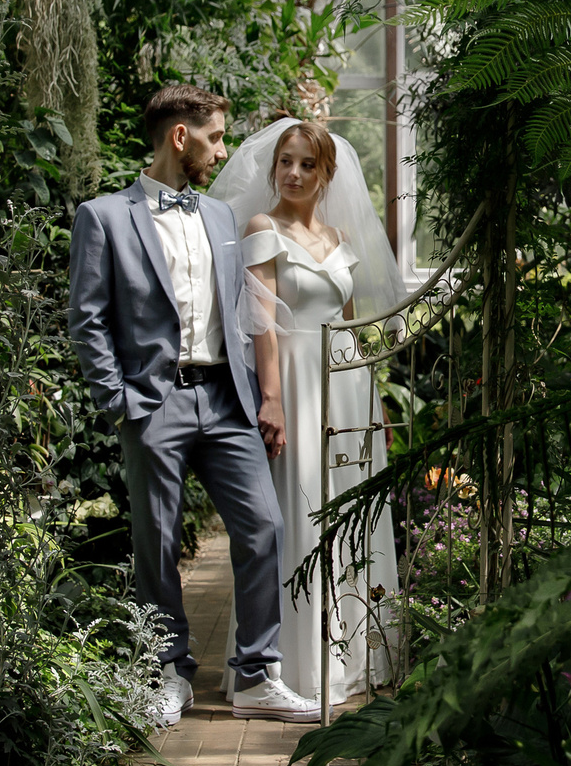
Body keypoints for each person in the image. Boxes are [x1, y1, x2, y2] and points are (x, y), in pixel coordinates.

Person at [66, 86, 316, 726]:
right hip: (155, 402)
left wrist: (265, 395)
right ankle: (168, 671)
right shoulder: (103, 217)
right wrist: (119, 402)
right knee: (156, 542)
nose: (222, 149)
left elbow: (245, 307)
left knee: (263, 527)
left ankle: (258, 675)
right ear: (182, 137)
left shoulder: (219, 218)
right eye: (215, 137)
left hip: (224, 398)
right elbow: (87, 320)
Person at [207, 116, 406, 709]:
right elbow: (261, 323)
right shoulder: (260, 227)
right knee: (300, 508)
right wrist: (270, 398)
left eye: (307, 164)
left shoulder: (340, 238)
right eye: (286, 162)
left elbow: (348, 321)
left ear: (326, 173)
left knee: (353, 507)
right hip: (293, 381)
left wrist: (374, 406)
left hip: (346, 383)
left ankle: (357, 656)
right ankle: (293, 667)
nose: (293, 173)